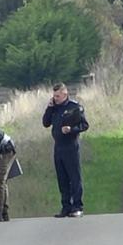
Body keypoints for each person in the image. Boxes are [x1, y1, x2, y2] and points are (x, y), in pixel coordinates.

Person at [42, 83, 89, 218]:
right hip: (58, 147)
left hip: (71, 146)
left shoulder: (74, 107)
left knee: (74, 177)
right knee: (62, 178)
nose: (55, 98)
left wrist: (71, 130)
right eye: (54, 96)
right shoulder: (54, 108)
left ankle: (77, 206)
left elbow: (84, 125)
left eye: (58, 96)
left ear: (65, 94)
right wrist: (50, 108)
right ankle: (66, 206)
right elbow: (45, 123)